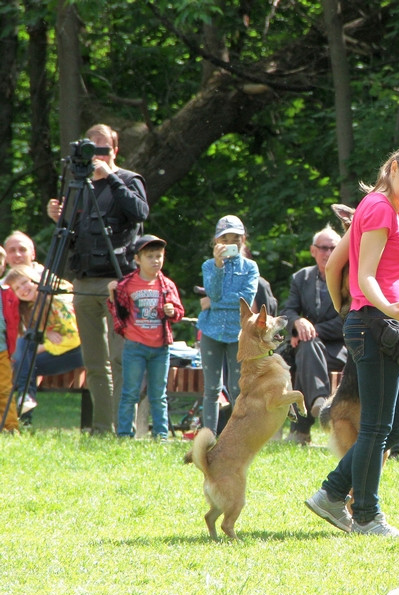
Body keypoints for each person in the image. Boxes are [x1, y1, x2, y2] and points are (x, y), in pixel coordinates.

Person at [306, 140, 399, 538]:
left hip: (374, 324)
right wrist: (380, 309)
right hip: (377, 324)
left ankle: (332, 493)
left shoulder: (381, 206)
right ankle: (366, 516)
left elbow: (351, 265)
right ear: (395, 166)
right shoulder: (381, 208)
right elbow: (363, 275)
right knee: (377, 427)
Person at [46, 123, 149, 434]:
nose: (98, 155)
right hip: (85, 282)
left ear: (115, 150)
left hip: (120, 281)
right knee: (94, 363)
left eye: (104, 149)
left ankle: (124, 428)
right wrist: (60, 219)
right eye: (93, 149)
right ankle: (102, 428)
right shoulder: (79, 188)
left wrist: (111, 177)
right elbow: (77, 239)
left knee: (121, 360)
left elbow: (140, 212)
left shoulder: (129, 180)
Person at [106, 235, 184, 439]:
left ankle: (161, 436)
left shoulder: (167, 285)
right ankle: (124, 434)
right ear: (138, 259)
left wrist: (171, 310)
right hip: (135, 346)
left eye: (159, 256)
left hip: (161, 348)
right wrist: (111, 294)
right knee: (130, 392)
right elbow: (117, 310)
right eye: (150, 256)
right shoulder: (127, 284)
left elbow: (179, 312)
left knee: (159, 395)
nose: (155, 260)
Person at [279, 225, 347, 445]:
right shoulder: (301, 278)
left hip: (338, 348)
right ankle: (318, 400)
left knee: (306, 350)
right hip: (305, 347)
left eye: (333, 248)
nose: (328, 253)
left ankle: (300, 430)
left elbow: (346, 320)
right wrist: (298, 322)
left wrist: (311, 330)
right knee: (298, 354)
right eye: (323, 248)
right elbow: (287, 310)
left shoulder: (347, 277)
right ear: (313, 250)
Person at [196, 215, 259, 435]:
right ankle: (208, 438)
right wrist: (218, 266)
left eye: (236, 238)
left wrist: (215, 302)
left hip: (238, 334)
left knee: (237, 388)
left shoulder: (250, 267)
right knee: (211, 389)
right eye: (226, 238)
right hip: (211, 331)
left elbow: (246, 300)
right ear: (217, 242)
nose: (231, 243)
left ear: (243, 240)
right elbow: (212, 292)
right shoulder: (208, 265)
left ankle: (236, 436)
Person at [5, 265, 83, 419]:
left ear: (35, 280)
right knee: (25, 363)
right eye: (17, 288)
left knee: (25, 358)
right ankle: (25, 408)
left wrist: (42, 345)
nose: (23, 289)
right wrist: (47, 335)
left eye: (25, 282)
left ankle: (23, 412)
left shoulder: (57, 301)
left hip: (80, 351)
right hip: (59, 351)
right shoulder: (29, 307)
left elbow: (74, 338)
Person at [0, 249, 20, 431]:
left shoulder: (7, 294)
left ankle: (10, 426)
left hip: (2, 349)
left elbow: (13, 322)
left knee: (5, 388)